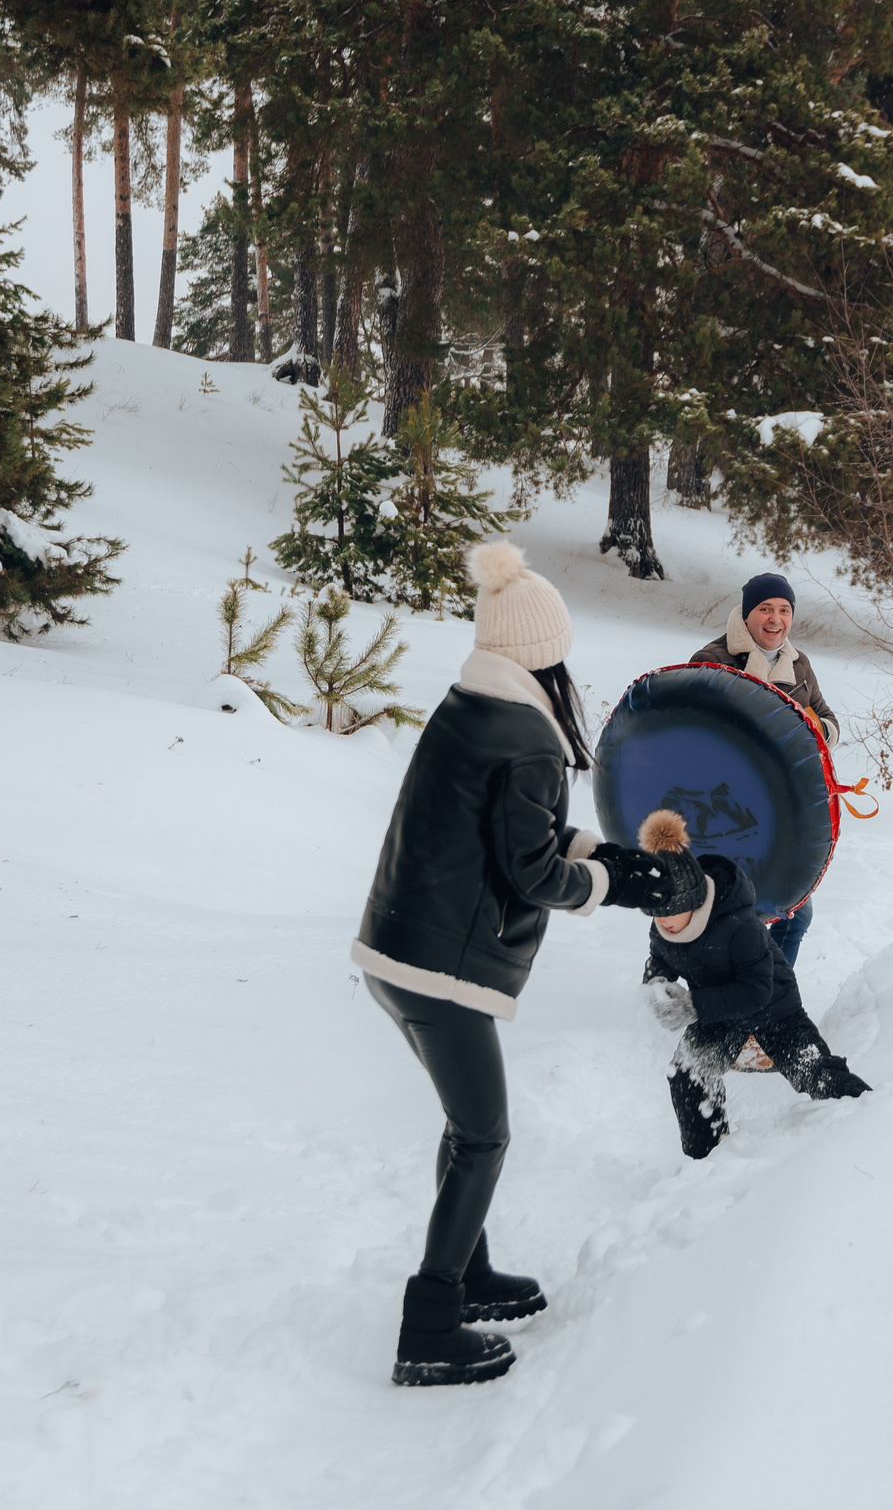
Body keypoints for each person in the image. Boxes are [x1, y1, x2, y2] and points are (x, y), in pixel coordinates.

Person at [353, 541, 677, 1388]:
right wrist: (611, 884)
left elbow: (509, 828)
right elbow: (530, 872)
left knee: (464, 1129)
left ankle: (467, 1276)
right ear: (546, 651)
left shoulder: (470, 704)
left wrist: (602, 854)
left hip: (393, 952)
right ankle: (429, 1328)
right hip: (442, 971)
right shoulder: (530, 738)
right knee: (484, 1136)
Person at [633, 809, 868, 1159]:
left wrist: (692, 1006)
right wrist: (657, 985)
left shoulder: (739, 926)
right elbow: (659, 961)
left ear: (692, 900)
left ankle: (873, 1118)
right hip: (717, 1015)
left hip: (775, 1011)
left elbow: (756, 991)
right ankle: (708, 1160)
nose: (662, 921)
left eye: (669, 910)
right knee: (687, 1074)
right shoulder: (664, 928)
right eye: (655, 911)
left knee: (815, 1072)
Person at [688, 571, 838, 1053]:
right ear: (747, 613)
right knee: (732, 916)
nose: (776, 619)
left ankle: (762, 1015)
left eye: (784, 610)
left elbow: (827, 720)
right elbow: (697, 733)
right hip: (723, 816)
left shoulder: (798, 664)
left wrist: (816, 729)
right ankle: (722, 1018)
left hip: (779, 814)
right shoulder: (713, 660)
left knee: (793, 911)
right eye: (766, 609)